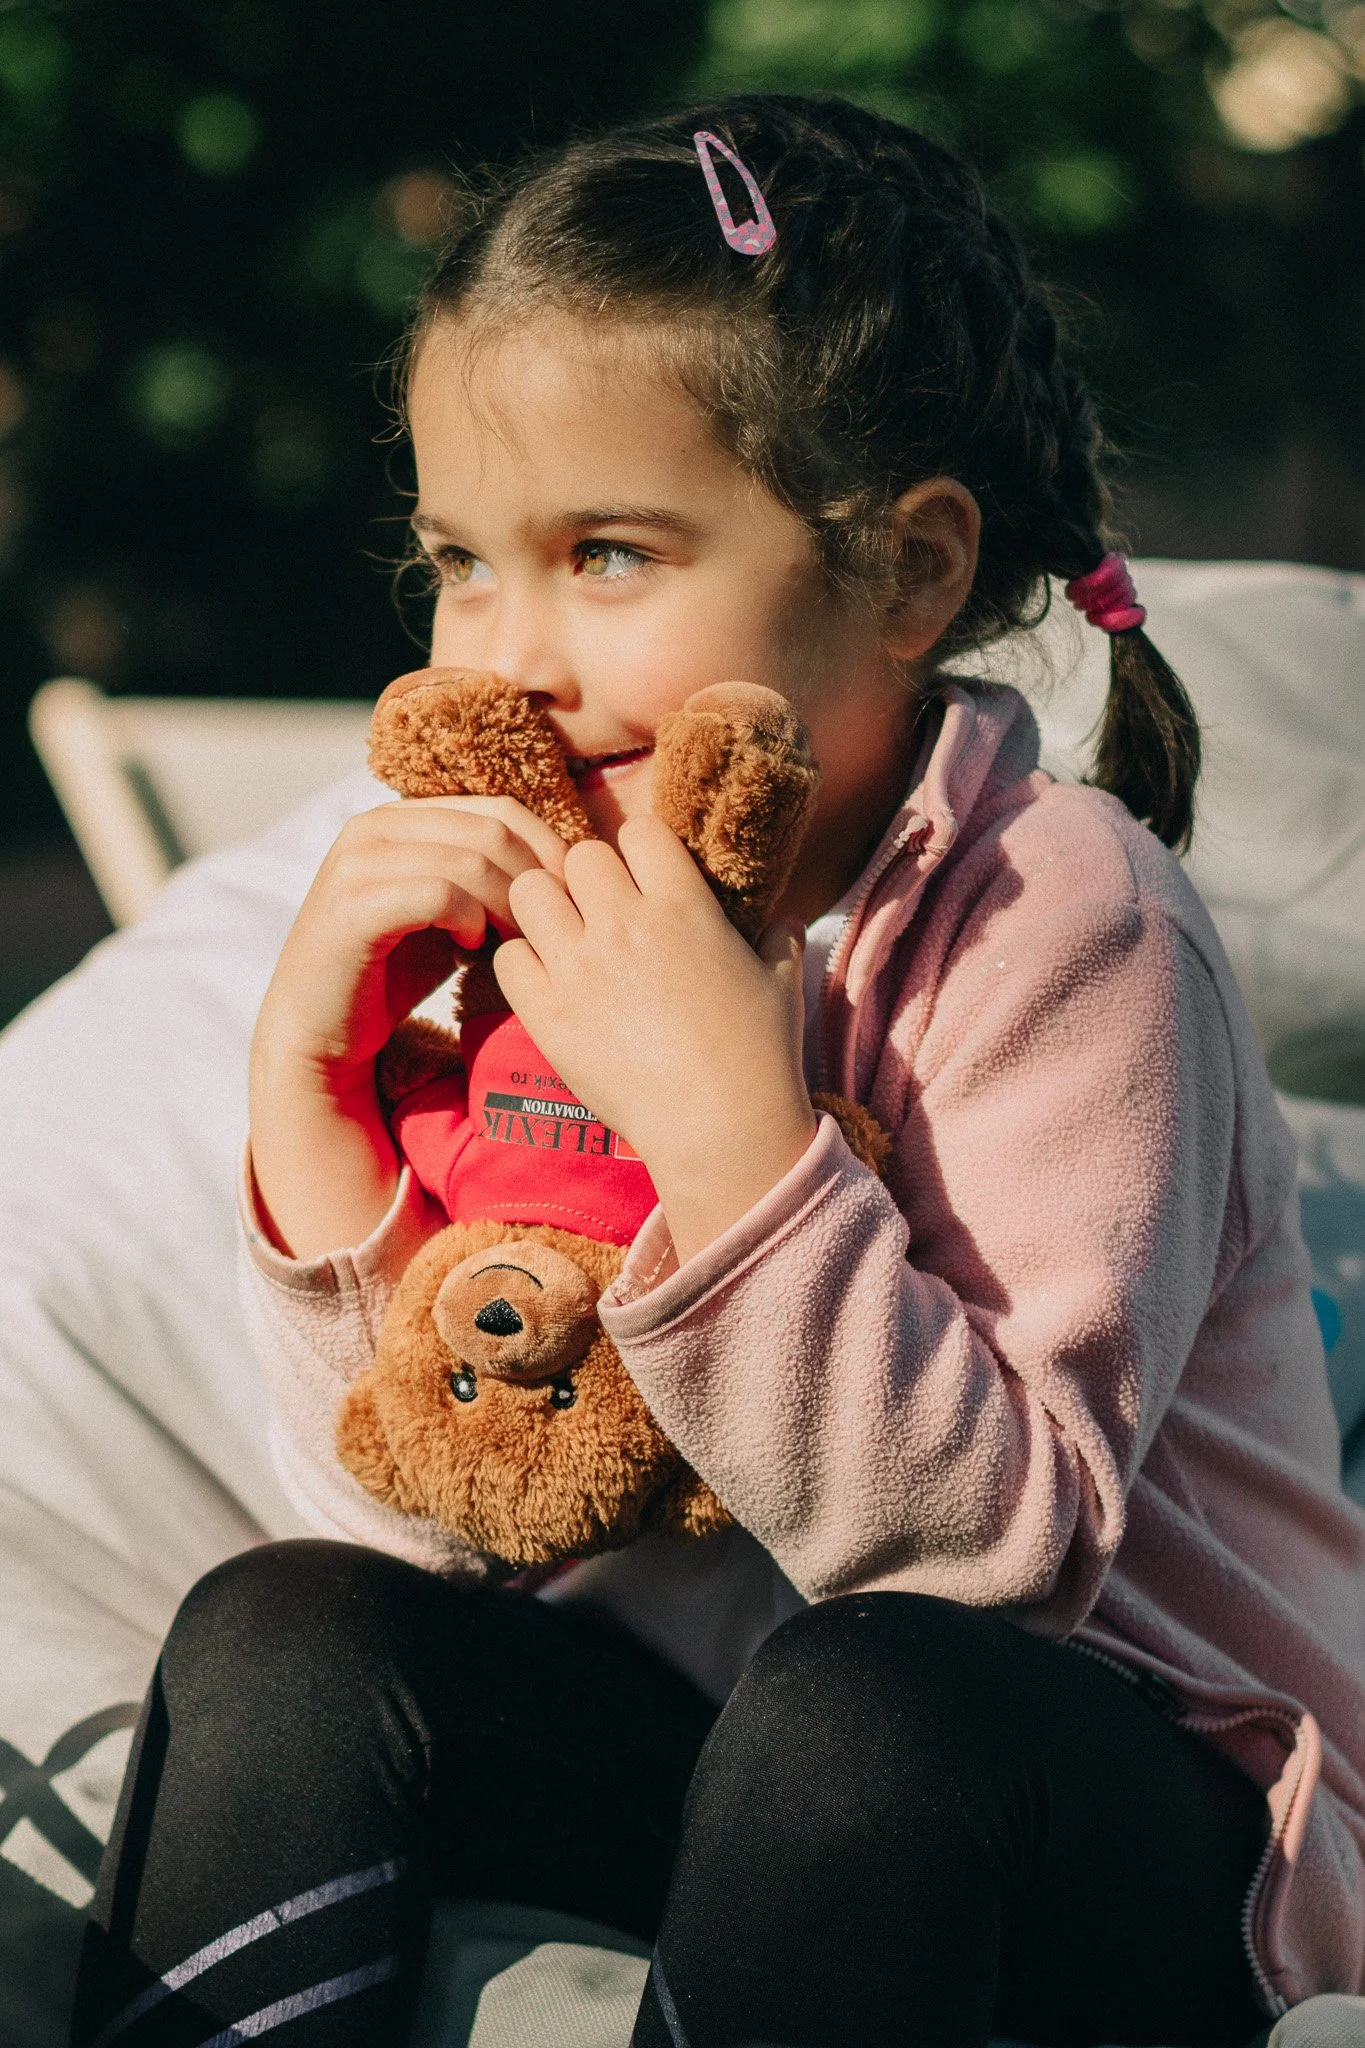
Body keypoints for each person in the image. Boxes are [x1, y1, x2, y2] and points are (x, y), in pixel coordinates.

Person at [71, 96, 1365, 2048]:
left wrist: (723, 1118)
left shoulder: (1060, 909)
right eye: (458, 560)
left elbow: (976, 1565)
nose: (505, 655)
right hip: (710, 1762)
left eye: (605, 553)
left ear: (911, 570)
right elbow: (438, 1511)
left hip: (1100, 1800)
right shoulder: (559, 900)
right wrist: (315, 1097)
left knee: (863, 1700)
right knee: (285, 1627)